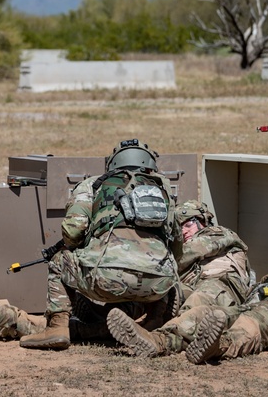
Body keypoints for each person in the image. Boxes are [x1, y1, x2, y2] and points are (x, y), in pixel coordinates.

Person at [19, 139, 182, 351]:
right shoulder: (163, 188)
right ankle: (153, 322)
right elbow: (176, 243)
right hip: (157, 286)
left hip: (105, 280)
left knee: (59, 261)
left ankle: (57, 327)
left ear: (112, 163)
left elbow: (73, 230)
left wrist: (82, 246)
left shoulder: (93, 184)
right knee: (165, 264)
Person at [106, 199, 254, 357]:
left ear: (202, 220)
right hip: (192, 284)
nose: (183, 231)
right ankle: (93, 323)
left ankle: (159, 340)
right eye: (179, 228)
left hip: (220, 284)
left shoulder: (219, 233)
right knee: (155, 293)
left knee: (197, 301)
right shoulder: (181, 249)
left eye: (188, 224)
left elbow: (186, 254)